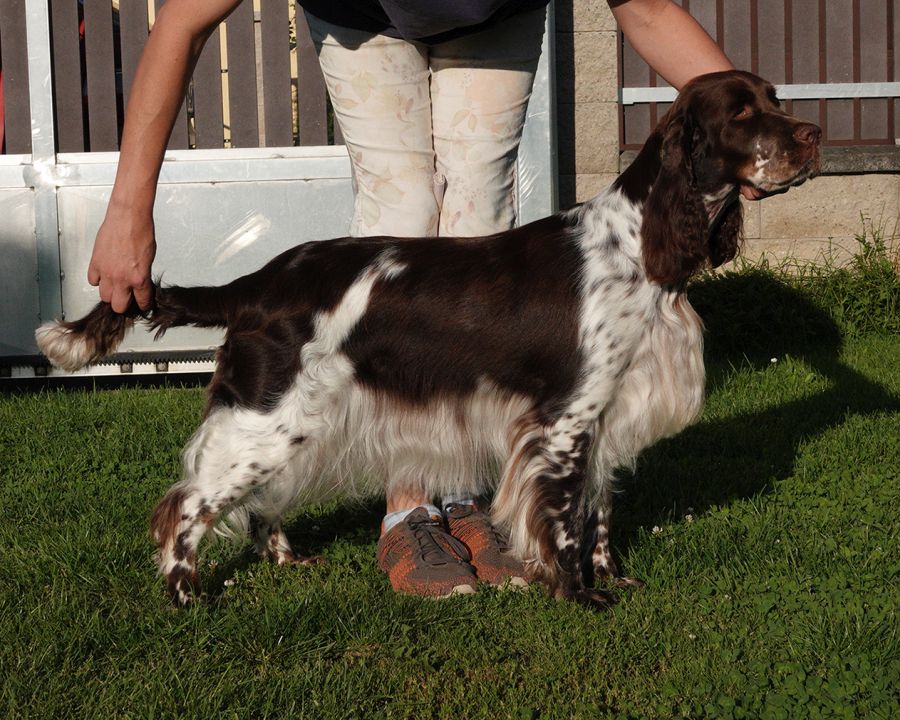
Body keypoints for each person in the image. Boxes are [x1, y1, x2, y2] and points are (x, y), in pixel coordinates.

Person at [88, 0, 741, 598]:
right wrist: (126, 210)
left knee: (479, 223)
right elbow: (181, 23)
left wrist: (748, 125)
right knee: (398, 206)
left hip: (493, 13)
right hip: (361, 11)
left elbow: (650, 8)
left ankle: (463, 495)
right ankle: (408, 510)